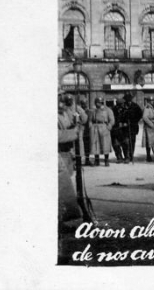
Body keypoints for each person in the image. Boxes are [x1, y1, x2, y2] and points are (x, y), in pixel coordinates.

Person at [58, 93, 82, 222]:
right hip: (58, 152)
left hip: (67, 152)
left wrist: (75, 121)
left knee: (67, 181)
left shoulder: (65, 112)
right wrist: (74, 132)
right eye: (59, 99)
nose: (62, 103)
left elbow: (80, 120)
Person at [116, 92, 143, 163]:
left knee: (132, 142)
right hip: (125, 128)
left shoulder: (135, 106)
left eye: (129, 100)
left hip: (133, 127)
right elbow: (120, 116)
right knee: (125, 142)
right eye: (127, 100)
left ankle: (131, 155)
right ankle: (127, 156)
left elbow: (140, 115)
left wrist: (134, 121)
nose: (128, 101)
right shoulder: (123, 106)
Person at [89, 97, 114, 167]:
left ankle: (106, 160)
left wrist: (109, 127)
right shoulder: (93, 110)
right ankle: (97, 161)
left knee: (105, 144)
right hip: (95, 128)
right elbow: (90, 120)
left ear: (102, 102)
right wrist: (90, 126)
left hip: (104, 127)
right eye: (97, 102)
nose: (98, 104)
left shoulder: (107, 110)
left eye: (99, 102)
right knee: (95, 144)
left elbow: (112, 120)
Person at [78, 99, 91, 166]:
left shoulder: (88, 111)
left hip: (87, 130)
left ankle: (87, 160)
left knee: (87, 146)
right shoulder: (79, 111)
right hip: (81, 129)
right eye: (83, 103)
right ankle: (79, 160)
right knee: (80, 146)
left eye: (85, 103)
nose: (84, 104)